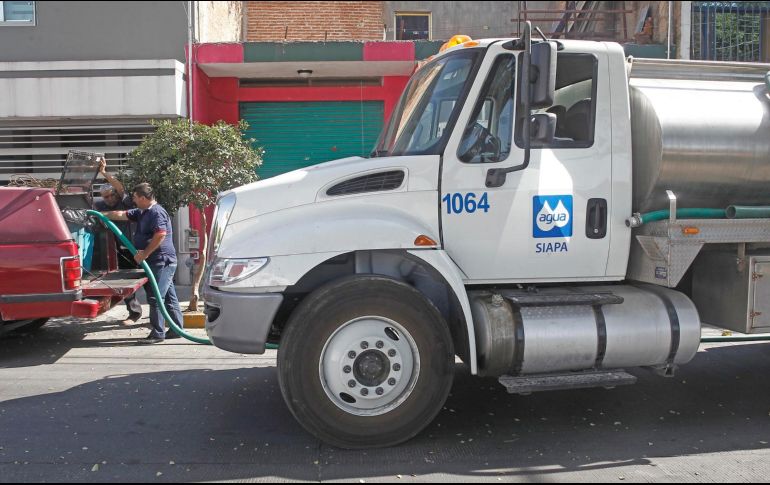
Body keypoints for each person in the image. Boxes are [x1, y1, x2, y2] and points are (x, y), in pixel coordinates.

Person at [102, 183, 185, 344]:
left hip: (162, 261)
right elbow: (121, 214)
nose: (133, 200)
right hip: (155, 261)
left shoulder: (156, 212)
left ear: (143, 198)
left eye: (134, 197)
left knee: (156, 298)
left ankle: (157, 333)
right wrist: (100, 214)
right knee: (168, 297)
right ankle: (176, 329)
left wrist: (145, 253)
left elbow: (160, 234)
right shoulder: (142, 211)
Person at [94, 157, 142, 324]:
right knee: (125, 281)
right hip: (117, 249)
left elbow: (120, 188)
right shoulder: (100, 207)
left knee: (151, 281)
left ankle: (159, 316)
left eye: (109, 196)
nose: (107, 200)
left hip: (135, 246)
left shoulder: (125, 202)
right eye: (104, 197)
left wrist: (104, 172)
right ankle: (134, 313)